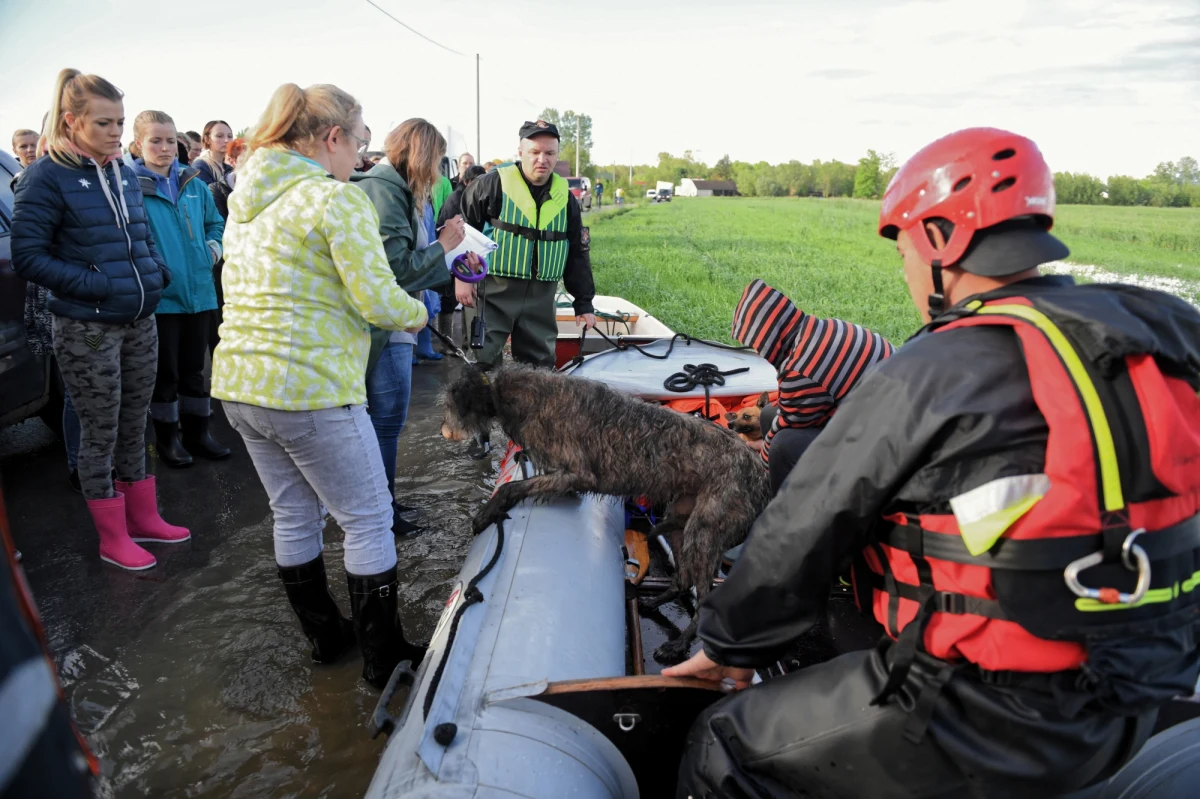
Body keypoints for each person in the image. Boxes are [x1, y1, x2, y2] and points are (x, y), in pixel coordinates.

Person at [664, 127, 1200, 799]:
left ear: (942, 242)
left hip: (992, 713)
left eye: (908, 252)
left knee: (723, 744)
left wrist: (726, 643)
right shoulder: (1166, 329)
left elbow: (802, 528)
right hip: (1145, 680)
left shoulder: (934, 366)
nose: (909, 272)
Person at [212, 83, 429, 689]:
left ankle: (326, 638)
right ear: (330, 138)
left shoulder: (245, 200)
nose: (360, 156)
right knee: (368, 518)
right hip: (309, 389)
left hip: (239, 385)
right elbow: (377, 300)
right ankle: (384, 660)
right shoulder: (336, 201)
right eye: (359, 142)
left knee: (294, 514)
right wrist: (418, 311)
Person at [11, 68, 188, 571]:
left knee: (136, 423)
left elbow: (141, 234)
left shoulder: (121, 170)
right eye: (105, 122)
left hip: (139, 317)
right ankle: (113, 538)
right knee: (100, 432)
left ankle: (144, 518)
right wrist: (99, 284)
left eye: (120, 122)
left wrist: (156, 273)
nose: (115, 132)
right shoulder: (46, 177)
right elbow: (28, 255)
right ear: (72, 121)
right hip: (87, 327)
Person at [350, 118, 463, 537]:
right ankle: (382, 513)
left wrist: (443, 255)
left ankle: (383, 502)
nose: (437, 171)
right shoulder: (386, 190)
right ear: (421, 156)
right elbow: (395, 270)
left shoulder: (394, 189)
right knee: (385, 421)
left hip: (389, 320)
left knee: (380, 421)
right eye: (436, 159)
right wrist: (443, 246)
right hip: (386, 324)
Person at [458, 120, 597, 455]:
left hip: (540, 296)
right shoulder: (491, 185)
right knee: (481, 363)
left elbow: (576, 251)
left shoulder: (566, 198)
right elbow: (458, 229)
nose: (542, 159)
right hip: (492, 291)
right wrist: (462, 276)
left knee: (539, 368)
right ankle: (478, 431)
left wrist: (584, 303)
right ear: (520, 151)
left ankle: (533, 434)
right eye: (534, 151)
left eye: (549, 152)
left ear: (557, 155)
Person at [731, 279, 894, 493]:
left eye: (757, 344)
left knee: (783, 446)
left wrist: (758, 465)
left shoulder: (800, 370)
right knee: (769, 414)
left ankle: (783, 508)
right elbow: (791, 410)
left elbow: (785, 427)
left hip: (883, 442)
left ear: (769, 336)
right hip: (880, 407)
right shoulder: (820, 328)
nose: (758, 352)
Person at [131, 110, 228, 467]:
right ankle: (168, 440)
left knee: (194, 369)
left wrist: (212, 250)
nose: (165, 147)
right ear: (139, 143)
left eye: (171, 140)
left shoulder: (194, 184)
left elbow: (216, 224)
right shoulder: (132, 187)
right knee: (165, 374)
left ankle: (199, 434)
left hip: (200, 293)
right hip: (162, 299)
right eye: (155, 140)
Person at [192, 119, 233, 188]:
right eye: (219, 136)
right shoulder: (200, 166)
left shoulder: (228, 167)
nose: (226, 140)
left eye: (229, 136)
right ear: (207, 139)